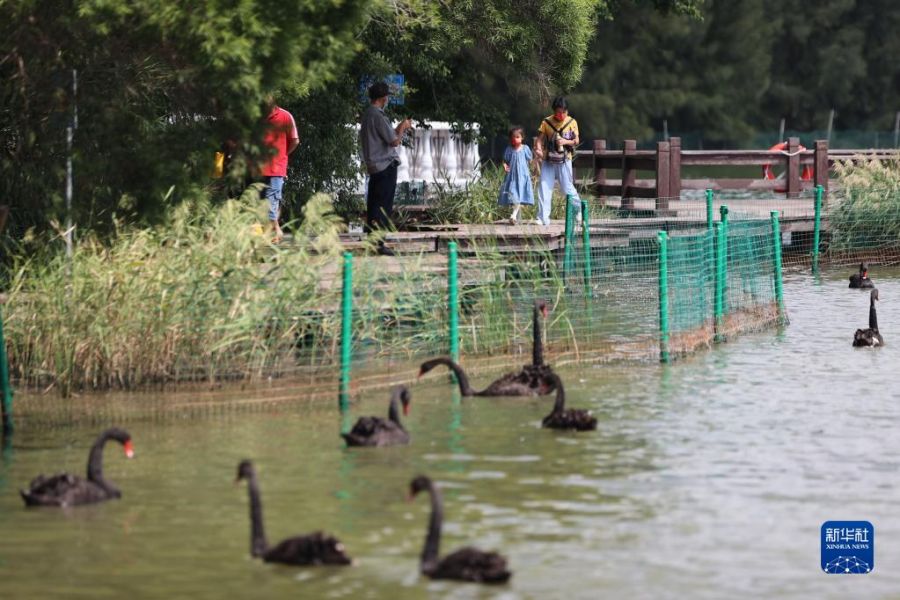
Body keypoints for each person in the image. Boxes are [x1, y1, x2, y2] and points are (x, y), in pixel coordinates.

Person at [359, 81, 413, 256]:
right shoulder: (378, 116)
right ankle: (379, 244)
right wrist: (403, 127)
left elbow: (388, 136)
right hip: (385, 166)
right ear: (383, 98)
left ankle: (371, 241)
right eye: (387, 97)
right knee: (383, 206)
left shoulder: (367, 114)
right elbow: (394, 141)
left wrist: (398, 128)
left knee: (373, 204)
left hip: (374, 167)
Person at [534, 96, 581, 226]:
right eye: (558, 112)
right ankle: (542, 217)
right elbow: (539, 140)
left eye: (563, 112)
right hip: (548, 159)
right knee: (544, 186)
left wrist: (565, 141)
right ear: (554, 111)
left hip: (565, 159)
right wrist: (538, 149)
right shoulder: (546, 122)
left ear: (567, 111)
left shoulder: (572, 122)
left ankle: (578, 212)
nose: (561, 115)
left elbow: (576, 141)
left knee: (567, 187)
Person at [259, 98, 299, 242]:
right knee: (265, 201)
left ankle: (274, 232)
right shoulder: (258, 117)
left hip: (277, 167)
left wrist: (284, 154)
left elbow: (295, 140)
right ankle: (275, 231)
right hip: (260, 167)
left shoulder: (285, 116)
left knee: (272, 199)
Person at [498, 126, 535, 224]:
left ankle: (514, 216)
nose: (515, 139)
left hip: (523, 177)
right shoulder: (509, 149)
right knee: (514, 195)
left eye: (517, 137)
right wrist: (505, 166)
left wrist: (535, 166)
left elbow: (530, 160)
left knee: (519, 196)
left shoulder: (525, 148)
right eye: (513, 137)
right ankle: (514, 216)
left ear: (522, 137)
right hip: (512, 177)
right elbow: (505, 161)